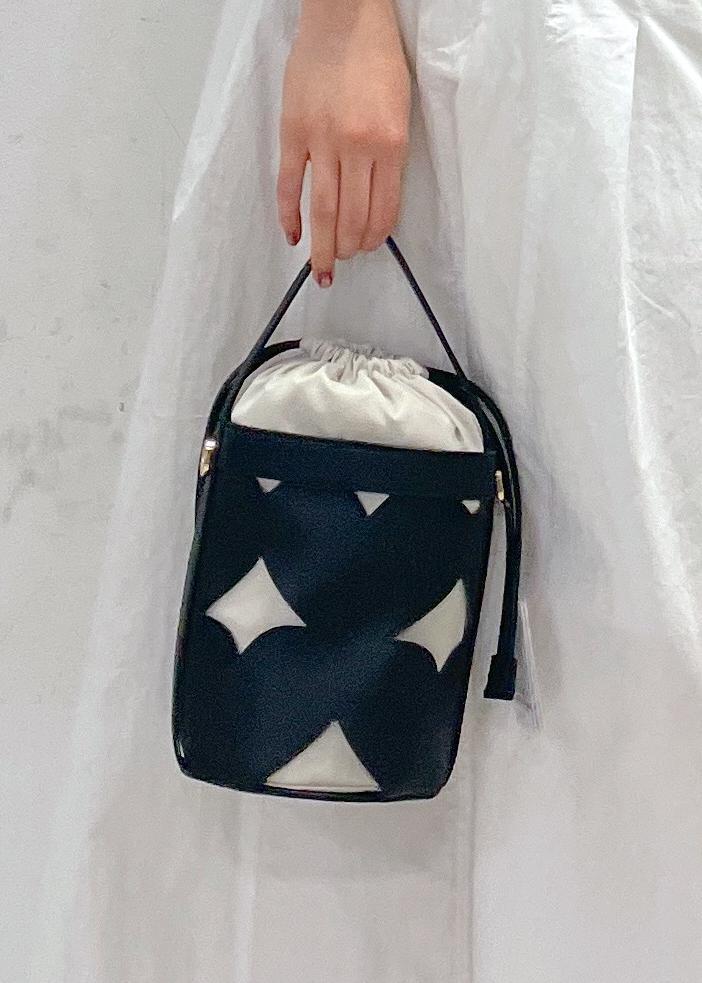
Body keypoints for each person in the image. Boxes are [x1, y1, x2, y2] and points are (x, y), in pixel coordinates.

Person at [36, 1, 702, 981]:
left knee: (627, 672)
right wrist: (344, 21)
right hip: (410, 59)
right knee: (327, 811)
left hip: (613, 73)